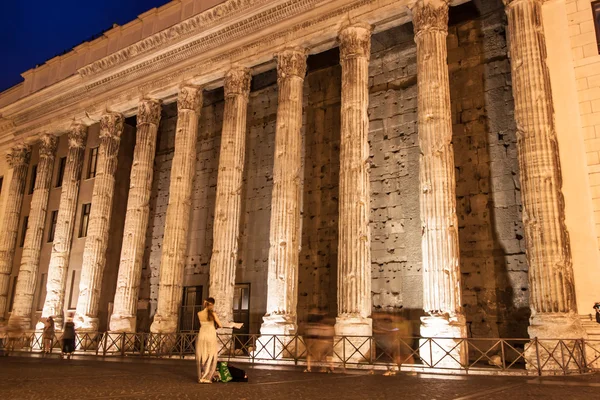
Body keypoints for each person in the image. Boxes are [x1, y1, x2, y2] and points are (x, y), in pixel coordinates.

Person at [196, 297, 222, 384]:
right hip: (210, 334)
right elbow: (220, 325)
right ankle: (207, 377)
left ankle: (201, 376)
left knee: (203, 354)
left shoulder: (199, 313)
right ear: (212, 305)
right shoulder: (213, 314)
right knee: (211, 354)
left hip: (202, 334)